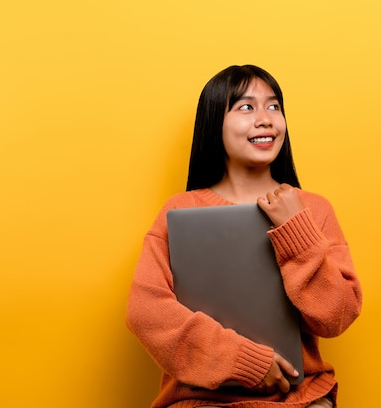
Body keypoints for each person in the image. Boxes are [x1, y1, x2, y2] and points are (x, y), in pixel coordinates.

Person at [126, 65, 362, 408]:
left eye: (274, 106)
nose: (265, 118)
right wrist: (245, 361)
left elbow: (336, 316)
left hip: (300, 399)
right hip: (201, 401)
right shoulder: (180, 209)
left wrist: (296, 229)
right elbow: (145, 312)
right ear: (213, 124)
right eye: (246, 107)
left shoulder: (313, 208)